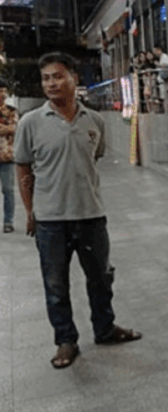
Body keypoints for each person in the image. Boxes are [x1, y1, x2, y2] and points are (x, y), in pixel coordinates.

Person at [14, 52, 142, 369]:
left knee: (101, 278)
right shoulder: (30, 123)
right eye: (46, 78)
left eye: (58, 76)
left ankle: (105, 328)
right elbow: (24, 170)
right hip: (50, 221)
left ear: (73, 77)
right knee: (56, 285)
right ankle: (66, 341)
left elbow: (93, 159)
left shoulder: (94, 120)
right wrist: (31, 212)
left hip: (91, 216)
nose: (51, 83)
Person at [0, 78, 16, 233]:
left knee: (8, 190)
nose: (2, 94)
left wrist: (7, 128)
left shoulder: (11, 111)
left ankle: (8, 221)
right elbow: (8, 128)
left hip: (6, 157)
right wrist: (6, 128)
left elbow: (15, 128)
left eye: (3, 91)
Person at [153, 45, 168, 112]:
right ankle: (165, 110)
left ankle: (167, 110)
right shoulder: (161, 57)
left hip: (164, 80)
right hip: (161, 80)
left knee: (165, 97)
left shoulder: (164, 56)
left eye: (155, 51)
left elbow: (166, 65)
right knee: (163, 97)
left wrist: (158, 65)